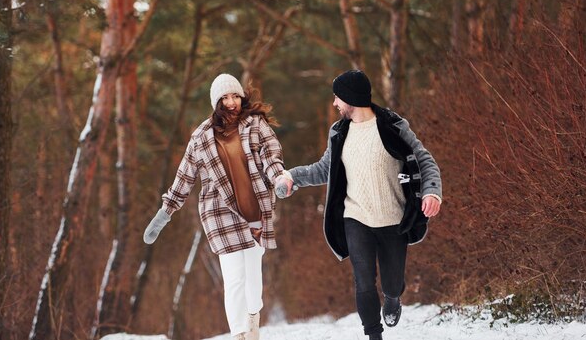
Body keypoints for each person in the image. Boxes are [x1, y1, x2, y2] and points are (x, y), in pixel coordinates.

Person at [275, 70, 442, 340]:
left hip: (393, 219)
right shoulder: (339, 132)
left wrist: (432, 193)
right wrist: (293, 176)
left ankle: (392, 297)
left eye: (337, 98)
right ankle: (374, 335)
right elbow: (324, 168)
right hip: (356, 218)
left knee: (392, 282)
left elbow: (424, 160)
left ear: (351, 98)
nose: (334, 104)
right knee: (363, 281)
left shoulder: (393, 126)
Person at [143, 73, 287, 340]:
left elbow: (271, 154)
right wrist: (166, 211)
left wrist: (279, 177)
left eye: (235, 96)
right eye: (225, 97)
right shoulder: (201, 137)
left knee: (253, 282)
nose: (231, 102)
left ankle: (253, 318)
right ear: (216, 102)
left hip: (255, 210)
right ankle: (240, 334)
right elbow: (184, 177)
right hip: (220, 214)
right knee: (234, 280)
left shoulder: (255, 125)